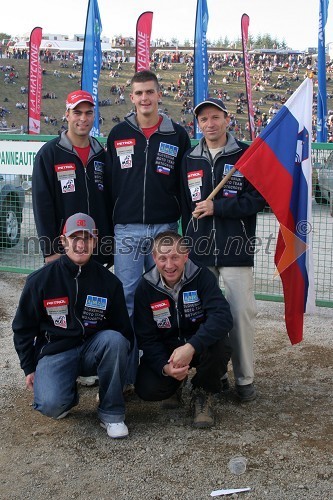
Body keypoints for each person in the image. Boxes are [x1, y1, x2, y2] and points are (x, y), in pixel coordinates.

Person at [12, 213, 133, 439]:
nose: (80, 244)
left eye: (87, 238)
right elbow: (22, 327)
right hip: (56, 351)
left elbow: (124, 331)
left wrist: (118, 366)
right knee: (51, 405)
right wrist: (29, 366)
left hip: (92, 350)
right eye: (74, 238)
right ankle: (68, 393)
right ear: (63, 241)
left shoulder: (109, 282)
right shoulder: (40, 280)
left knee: (115, 340)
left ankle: (111, 412)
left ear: (95, 241)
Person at [106, 70, 191, 384]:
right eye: (139, 93)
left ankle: (164, 372)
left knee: (164, 299)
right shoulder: (118, 134)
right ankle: (126, 377)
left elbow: (184, 185)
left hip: (164, 229)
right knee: (128, 300)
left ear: (159, 95)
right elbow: (111, 184)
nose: (144, 98)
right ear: (132, 97)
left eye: (149, 92)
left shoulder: (176, 135)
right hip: (127, 230)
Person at [180, 97, 266, 402]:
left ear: (227, 119)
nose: (210, 124)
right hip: (200, 251)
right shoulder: (190, 157)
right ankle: (212, 374)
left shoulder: (246, 155)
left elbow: (257, 200)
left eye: (215, 117)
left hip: (235, 249)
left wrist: (219, 207)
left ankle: (245, 379)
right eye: (204, 119)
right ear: (198, 124)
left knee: (241, 312)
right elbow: (183, 206)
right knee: (202, 315)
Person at [133, 231, 233, 428]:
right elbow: (146, 337)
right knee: (146, 389)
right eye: (162, 258)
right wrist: (165, 366)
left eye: (175, 257)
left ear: (186, 255)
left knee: (221, 344)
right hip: (169, 351)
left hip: (198, 346)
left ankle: (202, 392)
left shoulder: (202, 276)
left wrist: (192, 346)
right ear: (154, 258)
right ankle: (175, 384)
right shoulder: (145, 287)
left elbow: (222, 317)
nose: (169, 265)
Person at [32, 89, 112, 267]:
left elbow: (108, 202)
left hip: (96, 249)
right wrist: (50, 250)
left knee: (95, 294)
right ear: (67, 115)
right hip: (64, 251)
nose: (83, 118)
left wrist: (108, 245)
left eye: (88, 113)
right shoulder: (49, 154)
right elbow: (42, 205)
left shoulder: (102, 155)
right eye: (77, 112)